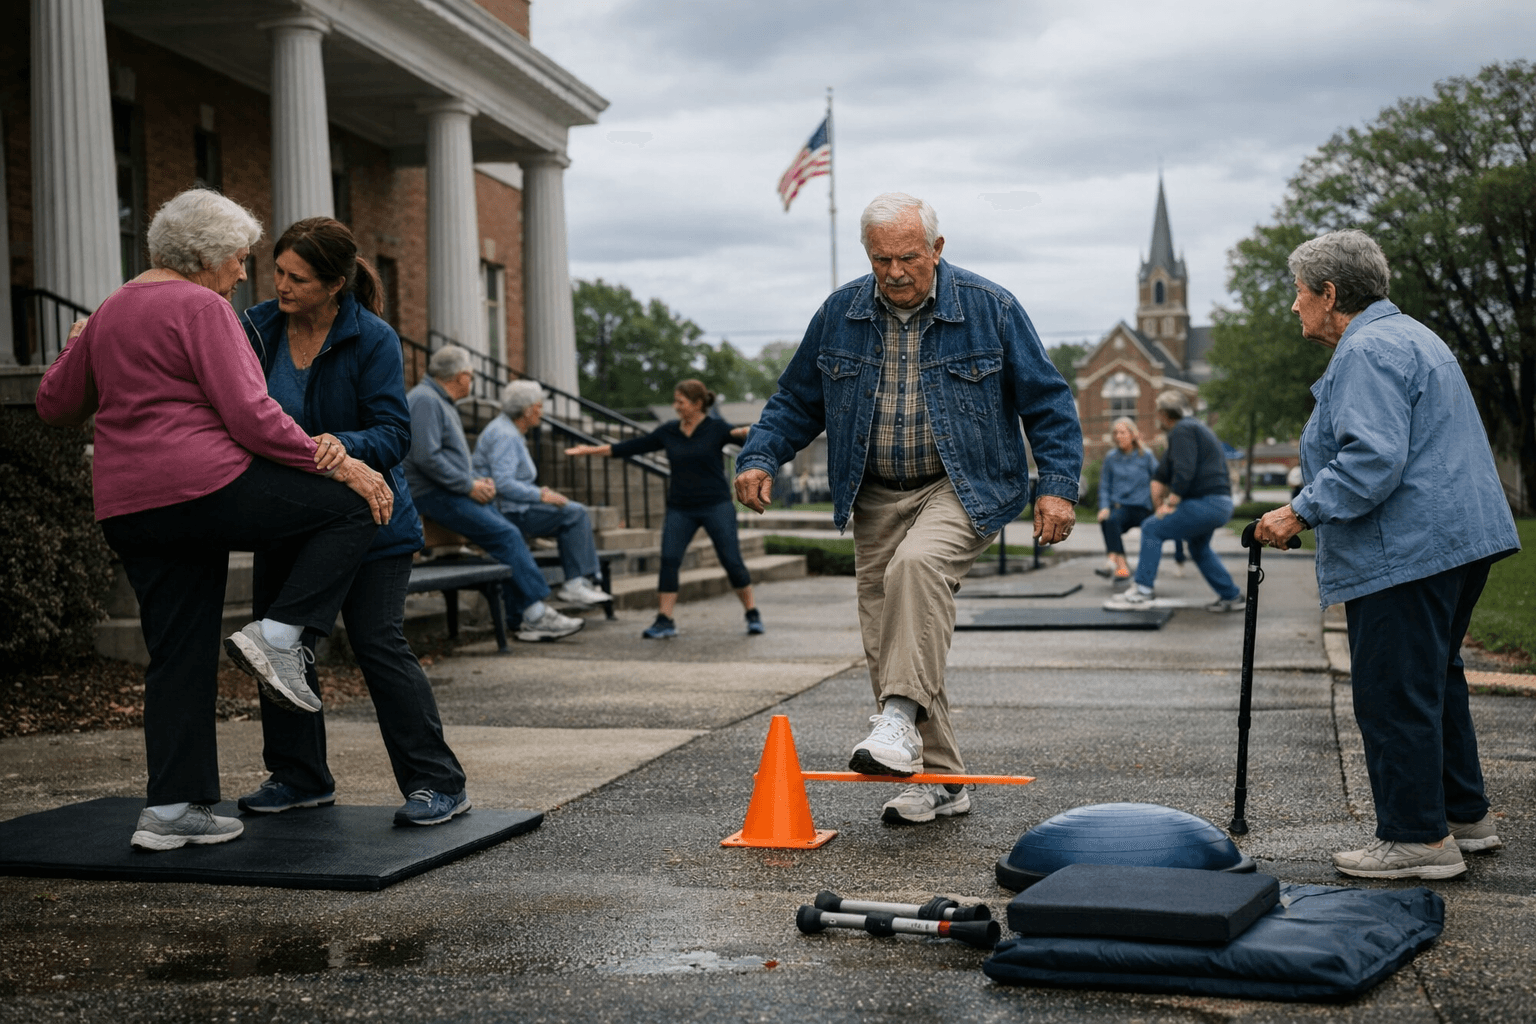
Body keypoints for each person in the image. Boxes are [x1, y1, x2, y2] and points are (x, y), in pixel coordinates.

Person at [35, 189, 387, 850]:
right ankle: (280, 635)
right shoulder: (202, 306)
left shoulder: (110, 310)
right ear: (206, 256)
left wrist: (74, 346)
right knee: (351, 508)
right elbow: (251, 415)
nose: (244, 273)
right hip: (204, 490)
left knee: (178, 653)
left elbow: (54, 405)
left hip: (130, 509)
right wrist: (338, 465)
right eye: (239, 258)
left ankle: (172, 810)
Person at [734, 192, 1081, 824]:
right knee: (892, 635)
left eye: (908, 258)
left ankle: (896, 719)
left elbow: (1048, 401)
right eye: (881, 259)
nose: (894, 272)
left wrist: (1056, 485)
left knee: (915, 569)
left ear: (937, 249)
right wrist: (760, 456)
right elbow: (795, 401)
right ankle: (941, 781)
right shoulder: (840, 313)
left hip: (961, 484)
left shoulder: (990, 308)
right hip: (873, 493)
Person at [1253, 229, 1519, 880]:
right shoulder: (1412, 335)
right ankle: (1463, 817)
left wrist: (1297, 512)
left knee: (1393, 691)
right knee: (1433, 680)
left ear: (1329, 294)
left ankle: (1416, 840)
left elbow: (1372, 459)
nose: (1294, 304)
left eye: (1299, 291)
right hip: (1456, 539)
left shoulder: (1366, 349)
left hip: (1409, 547)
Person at [237, 217, 471, 826]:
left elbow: (394, 434)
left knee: (378, 645)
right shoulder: (257, 326)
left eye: (298, 278)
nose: (282, 286)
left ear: (335, 283)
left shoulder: (372, 338)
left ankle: (437, 782)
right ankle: (299, 777)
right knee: (278, 647)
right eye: (278, 271)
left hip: (372, 519)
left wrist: (341, 443)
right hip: (289, 518)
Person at [403, 346, 584, 642]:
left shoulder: (437, 399)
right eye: (472, 376)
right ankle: (536, 614)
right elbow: (427, 457)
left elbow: (441, 456)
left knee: (507, 534)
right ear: (461, 377)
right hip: (433, 494)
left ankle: (523, 617)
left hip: (448, 489)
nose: (472, 382)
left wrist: (475, 481)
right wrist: (469, 486)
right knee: (506, 534)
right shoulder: (425, 399)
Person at [566, 380, 761, 638]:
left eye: (681, 401)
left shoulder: (716, 428)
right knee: (669, 559)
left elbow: (744, 434)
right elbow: (630, 447)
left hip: (716, 505)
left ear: (697, 404)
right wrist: (589, 450)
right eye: (676, 401)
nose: (675, 406)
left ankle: (751, 612)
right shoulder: (669, 431)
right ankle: (664, 619)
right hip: (681, 507)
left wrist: (762, 429)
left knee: (731, 560)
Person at [472, 380, 612, 607]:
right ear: (527, 410)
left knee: (573, 511)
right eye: (539, 406)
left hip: (513, 507)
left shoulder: (509, 430)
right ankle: (577, 583)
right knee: (574, 513)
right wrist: (540, 495)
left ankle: (582, 581)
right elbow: (503, 483)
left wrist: (541, 493)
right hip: (507, 511)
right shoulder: (505, 434)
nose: (542, 411)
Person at [1104, 391, 1244, 613]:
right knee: (1198, 548)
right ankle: (1232, 596)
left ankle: (1142, 590)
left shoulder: (1183, 429)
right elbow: (1162, 474)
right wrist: (1159, 497)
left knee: (1152, 528)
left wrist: (1171, 502)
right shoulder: (1191, 430)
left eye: (1157, 413)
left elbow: (1184, 470)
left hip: (1207, 502)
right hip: (1218, 503)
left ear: (1163, 413)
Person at [1094, 417, 1158, 582]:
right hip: (1121, 508)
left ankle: (1112, 560)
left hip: (1143, 508)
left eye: (1122, 432)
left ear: (1133, 434)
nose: (1118, 436)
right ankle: (1121, 566)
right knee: (1108, 519)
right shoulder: (1111, 457)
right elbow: (1105, 486)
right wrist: (1104, 507)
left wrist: (1160, 503)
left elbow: (1159, 479)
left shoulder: (1146, 456)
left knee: (1112, 522)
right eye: (1115, 433)